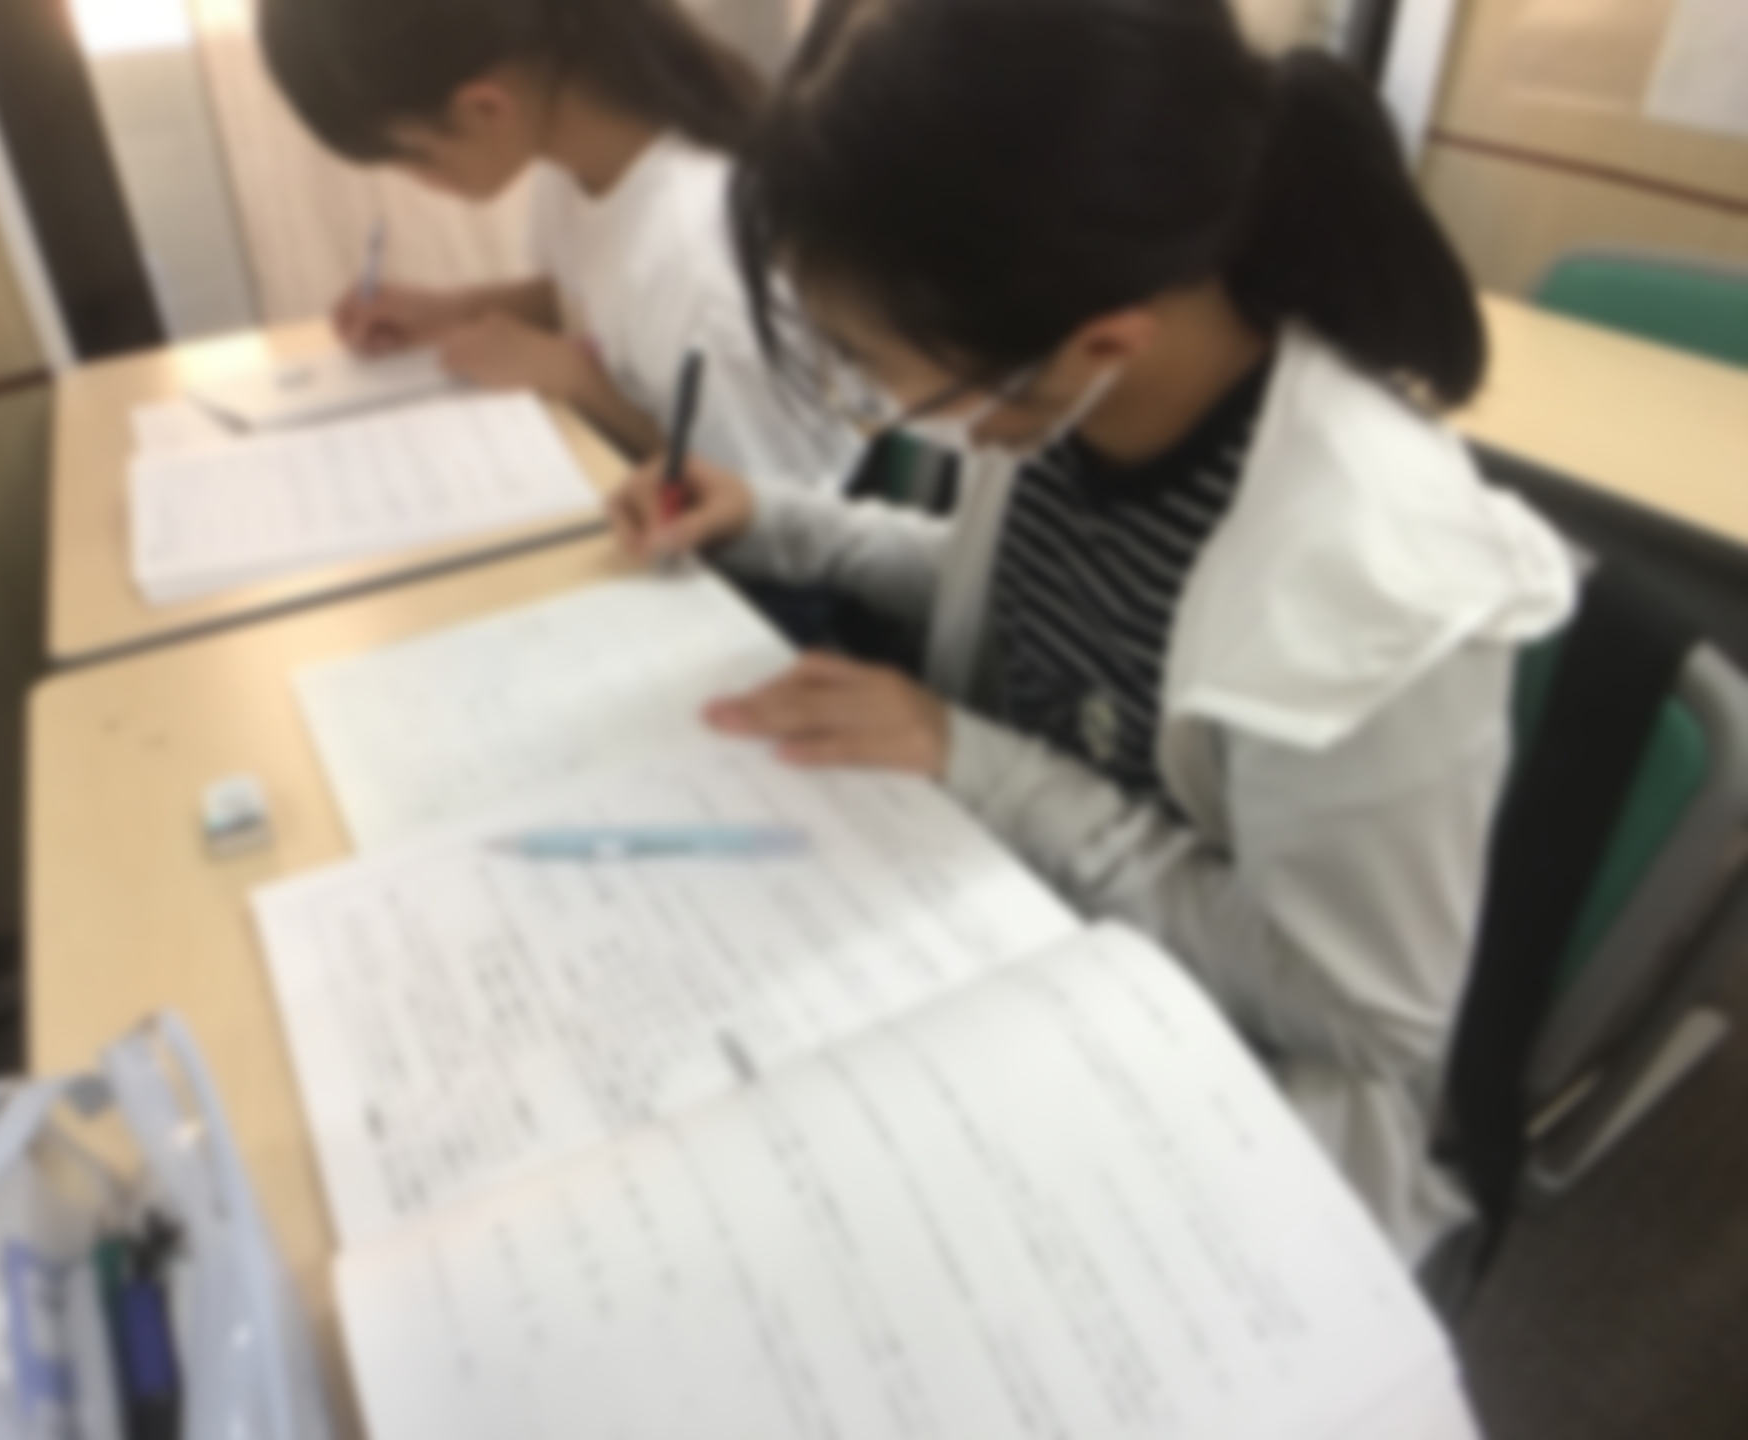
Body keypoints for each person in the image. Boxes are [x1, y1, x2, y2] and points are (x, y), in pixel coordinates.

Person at [610, 0, 1576, 1263]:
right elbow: (1018, 591)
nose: (871, 401)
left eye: (872, 366)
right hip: (1003, 925)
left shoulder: (1371, 578)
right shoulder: (1079, 389)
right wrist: (775, 521)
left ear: (1103, 341)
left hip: (1221, 1091)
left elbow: (1361, 1014)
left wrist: (977, 761)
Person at [257, 0, 856, 484]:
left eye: (413, 156)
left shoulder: (695, 254)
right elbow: (585, 294)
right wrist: (453, 310)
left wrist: (572, 376)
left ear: (485, 108)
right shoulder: (578, 159)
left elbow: (757, 497)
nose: (417, 181)